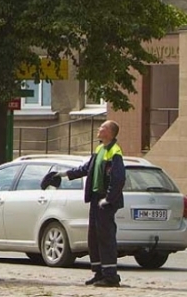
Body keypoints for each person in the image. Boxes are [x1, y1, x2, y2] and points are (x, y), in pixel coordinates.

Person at [41, 120, 126, 287]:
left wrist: (108, 199)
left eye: (102, 127)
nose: (99, 129)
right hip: (96, 199)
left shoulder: (114, 152)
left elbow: (118, 178)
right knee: (93, 237)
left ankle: (110, 276)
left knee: (106, 237)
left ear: (109, 132)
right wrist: (62, 174)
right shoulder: (99, 149)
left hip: (105, 201)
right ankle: (99, 272)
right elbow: (86, 168)